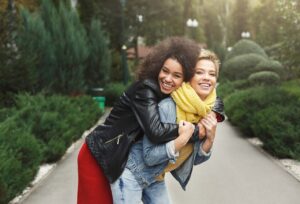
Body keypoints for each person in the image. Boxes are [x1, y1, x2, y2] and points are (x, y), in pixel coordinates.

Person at [77, 37, 224, 204]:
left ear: (184, 78)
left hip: (143, 169)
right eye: (165, 71)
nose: (169, 79)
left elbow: (192, 156)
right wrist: (194, 132)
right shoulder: (146, 90)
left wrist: (209, 136)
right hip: (101, 152)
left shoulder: (188, 103)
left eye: (176, 75)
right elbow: (155, 132)